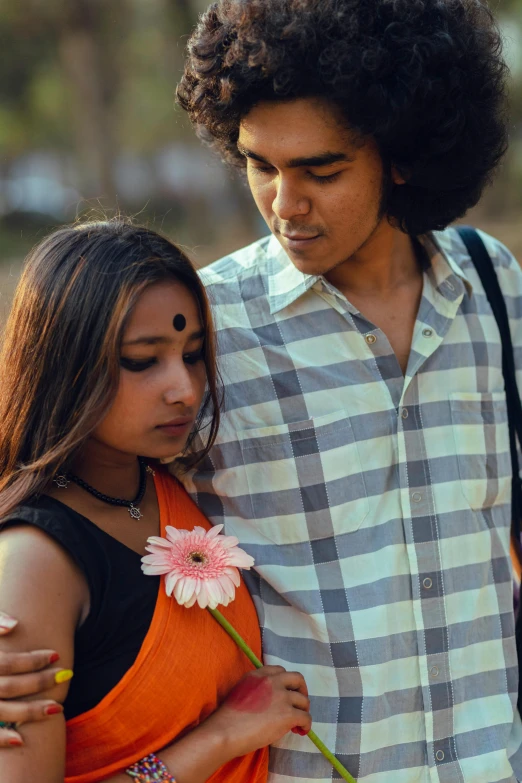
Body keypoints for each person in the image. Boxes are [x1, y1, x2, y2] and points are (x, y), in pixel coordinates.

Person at [1, 0, 521, 780]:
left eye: (322, 169)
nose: (284, 203)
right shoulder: (201, 335)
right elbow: (51, 490)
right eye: (259, 164)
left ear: (403, 155)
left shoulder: (497, 284)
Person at [0, 220, 312, 782]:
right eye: (143, 360)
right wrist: (222, 737)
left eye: (193, 354)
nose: (186, 390)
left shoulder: (173, 485)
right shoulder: (36, 561)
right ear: (62, 364)